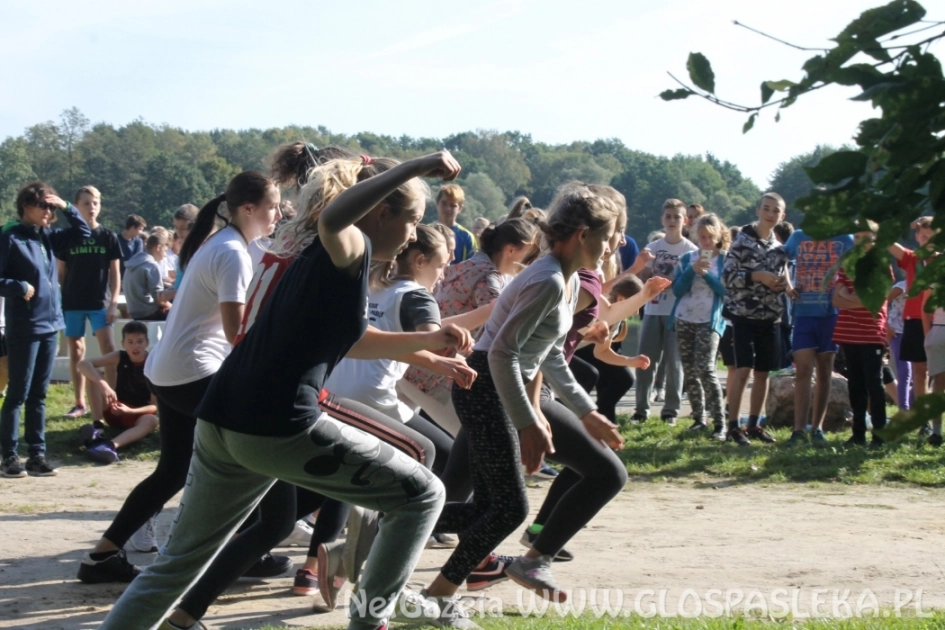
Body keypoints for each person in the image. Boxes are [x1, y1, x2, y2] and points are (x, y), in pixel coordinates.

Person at [97, 152, 471, 630]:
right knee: (422, 495)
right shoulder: (351, 242)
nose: (414, 234)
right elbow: (340, 215)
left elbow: (347, 337)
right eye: (413, 220)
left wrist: (426, 346)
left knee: (175, 566)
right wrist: (416, 167)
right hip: (275, 424)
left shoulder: (323, 254)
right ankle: (373, 618)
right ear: (381, 212)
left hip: (222, 416)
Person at [423, 182, 624, 612]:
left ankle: (400, 532)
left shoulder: (567, 282)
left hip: (498, 388)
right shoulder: (548, 280)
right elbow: (500, 353)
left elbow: (550, 354)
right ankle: (436, 592)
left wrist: (586, 412)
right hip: (486, 388)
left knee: (494, 507)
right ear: (582, 234)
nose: (611, 248)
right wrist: (530, 421)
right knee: (508, 509)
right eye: (607, 238)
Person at [78, 171, 283, 585]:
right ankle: (245, 549)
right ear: (248, 209)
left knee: (173, 470)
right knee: (260, 451)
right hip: (193, 373)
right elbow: (235, 333)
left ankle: (101, 558)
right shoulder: (232, 254)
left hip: (170, 373)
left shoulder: (224, 244)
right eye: (273, 206)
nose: (278, 213)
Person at [399, 218, 538, 436]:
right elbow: (502, 336)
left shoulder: (471, 265)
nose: (532, 264)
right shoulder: (490, 280)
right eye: (529, 257)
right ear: (511, 250)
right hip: (430, 374)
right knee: (474, 440)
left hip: (410, 364)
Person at [0, 181, 90, 478]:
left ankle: (37, 455)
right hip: (24, 325)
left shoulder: (49, 237)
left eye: (51, 207)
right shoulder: (10, 237)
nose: (48, 212)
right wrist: (17, 286)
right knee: (17, 393)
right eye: (44, 206)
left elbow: (83, 232)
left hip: (51, 325)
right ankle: (9, 457)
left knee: (39, 394)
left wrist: (67, 206)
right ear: (26, 205)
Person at [721, 192, 791, 446]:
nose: (770, 214)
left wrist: (781, 284)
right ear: (757, 210)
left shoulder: (779, 248)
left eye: (776, 211)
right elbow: (727, 278)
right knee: (743, 370)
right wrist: (756, 276)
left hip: (771, 316)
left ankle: (754, 425)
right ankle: (733, 426)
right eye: (767, 209)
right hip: (743, 316)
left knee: (763, 371)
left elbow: (782, 277)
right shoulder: (741, 241)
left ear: (782, 216)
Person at [782, 226, 853, 447]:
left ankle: (817, 428)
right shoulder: (798, 237)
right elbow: (781, 261)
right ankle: (798, 430)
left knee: (824, 370)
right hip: (803, 313)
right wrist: (787, 284)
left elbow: (856, 267)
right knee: (803, 370)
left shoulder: (845, 239)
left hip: (830, 314)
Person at [56, 186, 123, 420]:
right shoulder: (67, 236)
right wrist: (62, 301)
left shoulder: (108, 236)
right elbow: (61, 274)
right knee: (76, 351)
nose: (91, 207)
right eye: (86, 203)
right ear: (76, 206)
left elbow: (116, 274)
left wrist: (113, 303)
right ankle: (79, 402)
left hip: (100, 302)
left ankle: (113, 399)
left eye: (95, 202)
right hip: (73, 302)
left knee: (109, 351)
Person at [631, 199, 697, 425]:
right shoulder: (653, 249)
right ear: (662, 219)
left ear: (684, 220)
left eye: (676, 217)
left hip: (678, 313)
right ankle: (641, 410)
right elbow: (639, 278)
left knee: (674, 363)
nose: (672, 221)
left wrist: (674, 281)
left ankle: (670, 411)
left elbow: (693, 283)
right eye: (668, 216)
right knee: (645, 361)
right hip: (652, 310)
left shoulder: (691, 250)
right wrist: (645, 270)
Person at [671, 213, 730, 439]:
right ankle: (698, 418)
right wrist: (691, 270)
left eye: (709, 237)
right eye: (701, 237)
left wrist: (706, 275)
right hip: (685, 317)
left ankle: (719, 422)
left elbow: (726, 293)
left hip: (709, 319)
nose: (705, 242)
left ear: (717, 237)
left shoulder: (724, 260)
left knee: (706, 368)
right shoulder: (687, 259)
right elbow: (677, 290)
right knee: (690, 370)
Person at [832, 226, 889, 447]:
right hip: (848, 333)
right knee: (855, 385)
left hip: (872, 333)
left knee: (874, 383)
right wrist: (860, 297)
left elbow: (875, 299)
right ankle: (858, 434)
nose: (860, 241)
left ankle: (880, 435)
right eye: (856, 237)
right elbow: (836, 300)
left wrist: (850, 296)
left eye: (866, 237)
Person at [76, 320, 159, 463]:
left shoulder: (153, 363)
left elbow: (155, 406)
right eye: (130, 342)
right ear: (123, 343)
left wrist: (129, 411)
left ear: (147, 342)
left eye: (140, 341)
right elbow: (83, 364)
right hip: (114, 408)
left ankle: (109, 446)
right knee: (93, 375)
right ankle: (98, 428)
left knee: (153, 420)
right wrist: (104, 385)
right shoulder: (119, 356)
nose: (135, 346)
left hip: (138, 415)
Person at [888, 217, 937, 442]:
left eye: (932, 236)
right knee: (920, 371)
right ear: (917, 237)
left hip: (939, 320)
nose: (927, 241)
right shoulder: (911, 259)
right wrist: (907, 224)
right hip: (914, 319)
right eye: (923, 236)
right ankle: (924, 421)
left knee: (940, 374)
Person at [123, 232, 173, 321]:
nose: (165, 255)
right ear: (158, 247)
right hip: (149, 312)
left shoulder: (133, 262)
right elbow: (159, 299)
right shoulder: (152, 265)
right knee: (183, 314)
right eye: (165, 251)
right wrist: (173, 307)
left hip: (134, 312)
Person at [436, 184, 477, 264]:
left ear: (460, 208)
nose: (448, 208)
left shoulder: (467, 237)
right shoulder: (427, 232)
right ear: (437, 203)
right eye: (444, 203)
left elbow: (473, 267)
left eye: (453, 206)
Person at [887, 280, 912, 410]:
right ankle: (904, 408)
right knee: (905, 370)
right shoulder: (901, 286)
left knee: (921, 373)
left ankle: (911, 403)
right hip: (897, 332)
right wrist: (885, 325)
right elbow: (883, 303)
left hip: (916, 331)